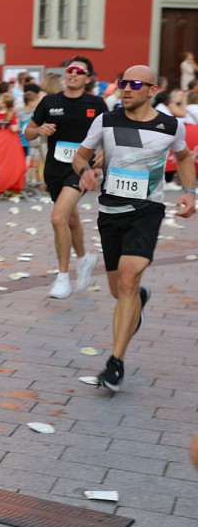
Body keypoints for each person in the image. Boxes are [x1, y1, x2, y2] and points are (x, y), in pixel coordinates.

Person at [72, 65, 195, 391]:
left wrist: (189, 191)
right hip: (110, 212)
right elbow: (80, 155)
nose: (126, 88)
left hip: (147, 210)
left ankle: (115, 363)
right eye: (122, 82)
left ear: (152, 89)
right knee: (119, 291)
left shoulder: (171, 126)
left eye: (134, 83)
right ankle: (138, 298)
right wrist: (84, 170)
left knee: (128, 278)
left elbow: (183, 158)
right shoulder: (106, 121)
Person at [24, 56, 107, 298]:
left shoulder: (97, 103)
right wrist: (38, 130)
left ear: (87, 78)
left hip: (80, 170)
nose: (73, 74)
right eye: (70, 70)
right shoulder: (49, 102)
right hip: (53, 170)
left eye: (79, 72)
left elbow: (112, 133)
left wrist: (105, 153)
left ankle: (62, 278)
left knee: (58, 218)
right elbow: (27, 132)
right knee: (70, 219)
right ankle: (84, 259)